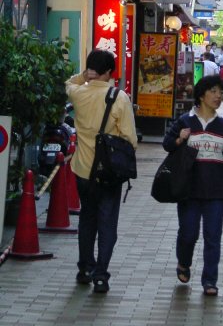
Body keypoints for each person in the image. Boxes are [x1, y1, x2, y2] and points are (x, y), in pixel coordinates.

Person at [66, 49, 138, 294]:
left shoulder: (78, 92)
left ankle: (85, 268)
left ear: (90, 70)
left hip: (82, 170)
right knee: (107, 224)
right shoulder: (119, 97)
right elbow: (129, 137)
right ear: (109, 72)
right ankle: (101, 276)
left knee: (87, 219)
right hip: (108, 172)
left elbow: (69, 83)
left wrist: (83, 75)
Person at [163, 75, 223, 296]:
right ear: (202, 95)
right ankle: (183, 262)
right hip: (188, 189)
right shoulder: (185, 121)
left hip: (216, 191)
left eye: (220, 92)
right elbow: (167, 144)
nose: (219, 96)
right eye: (214, 91)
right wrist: (179, 138)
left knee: (212, 237)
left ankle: (209, 281)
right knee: (188, 233)